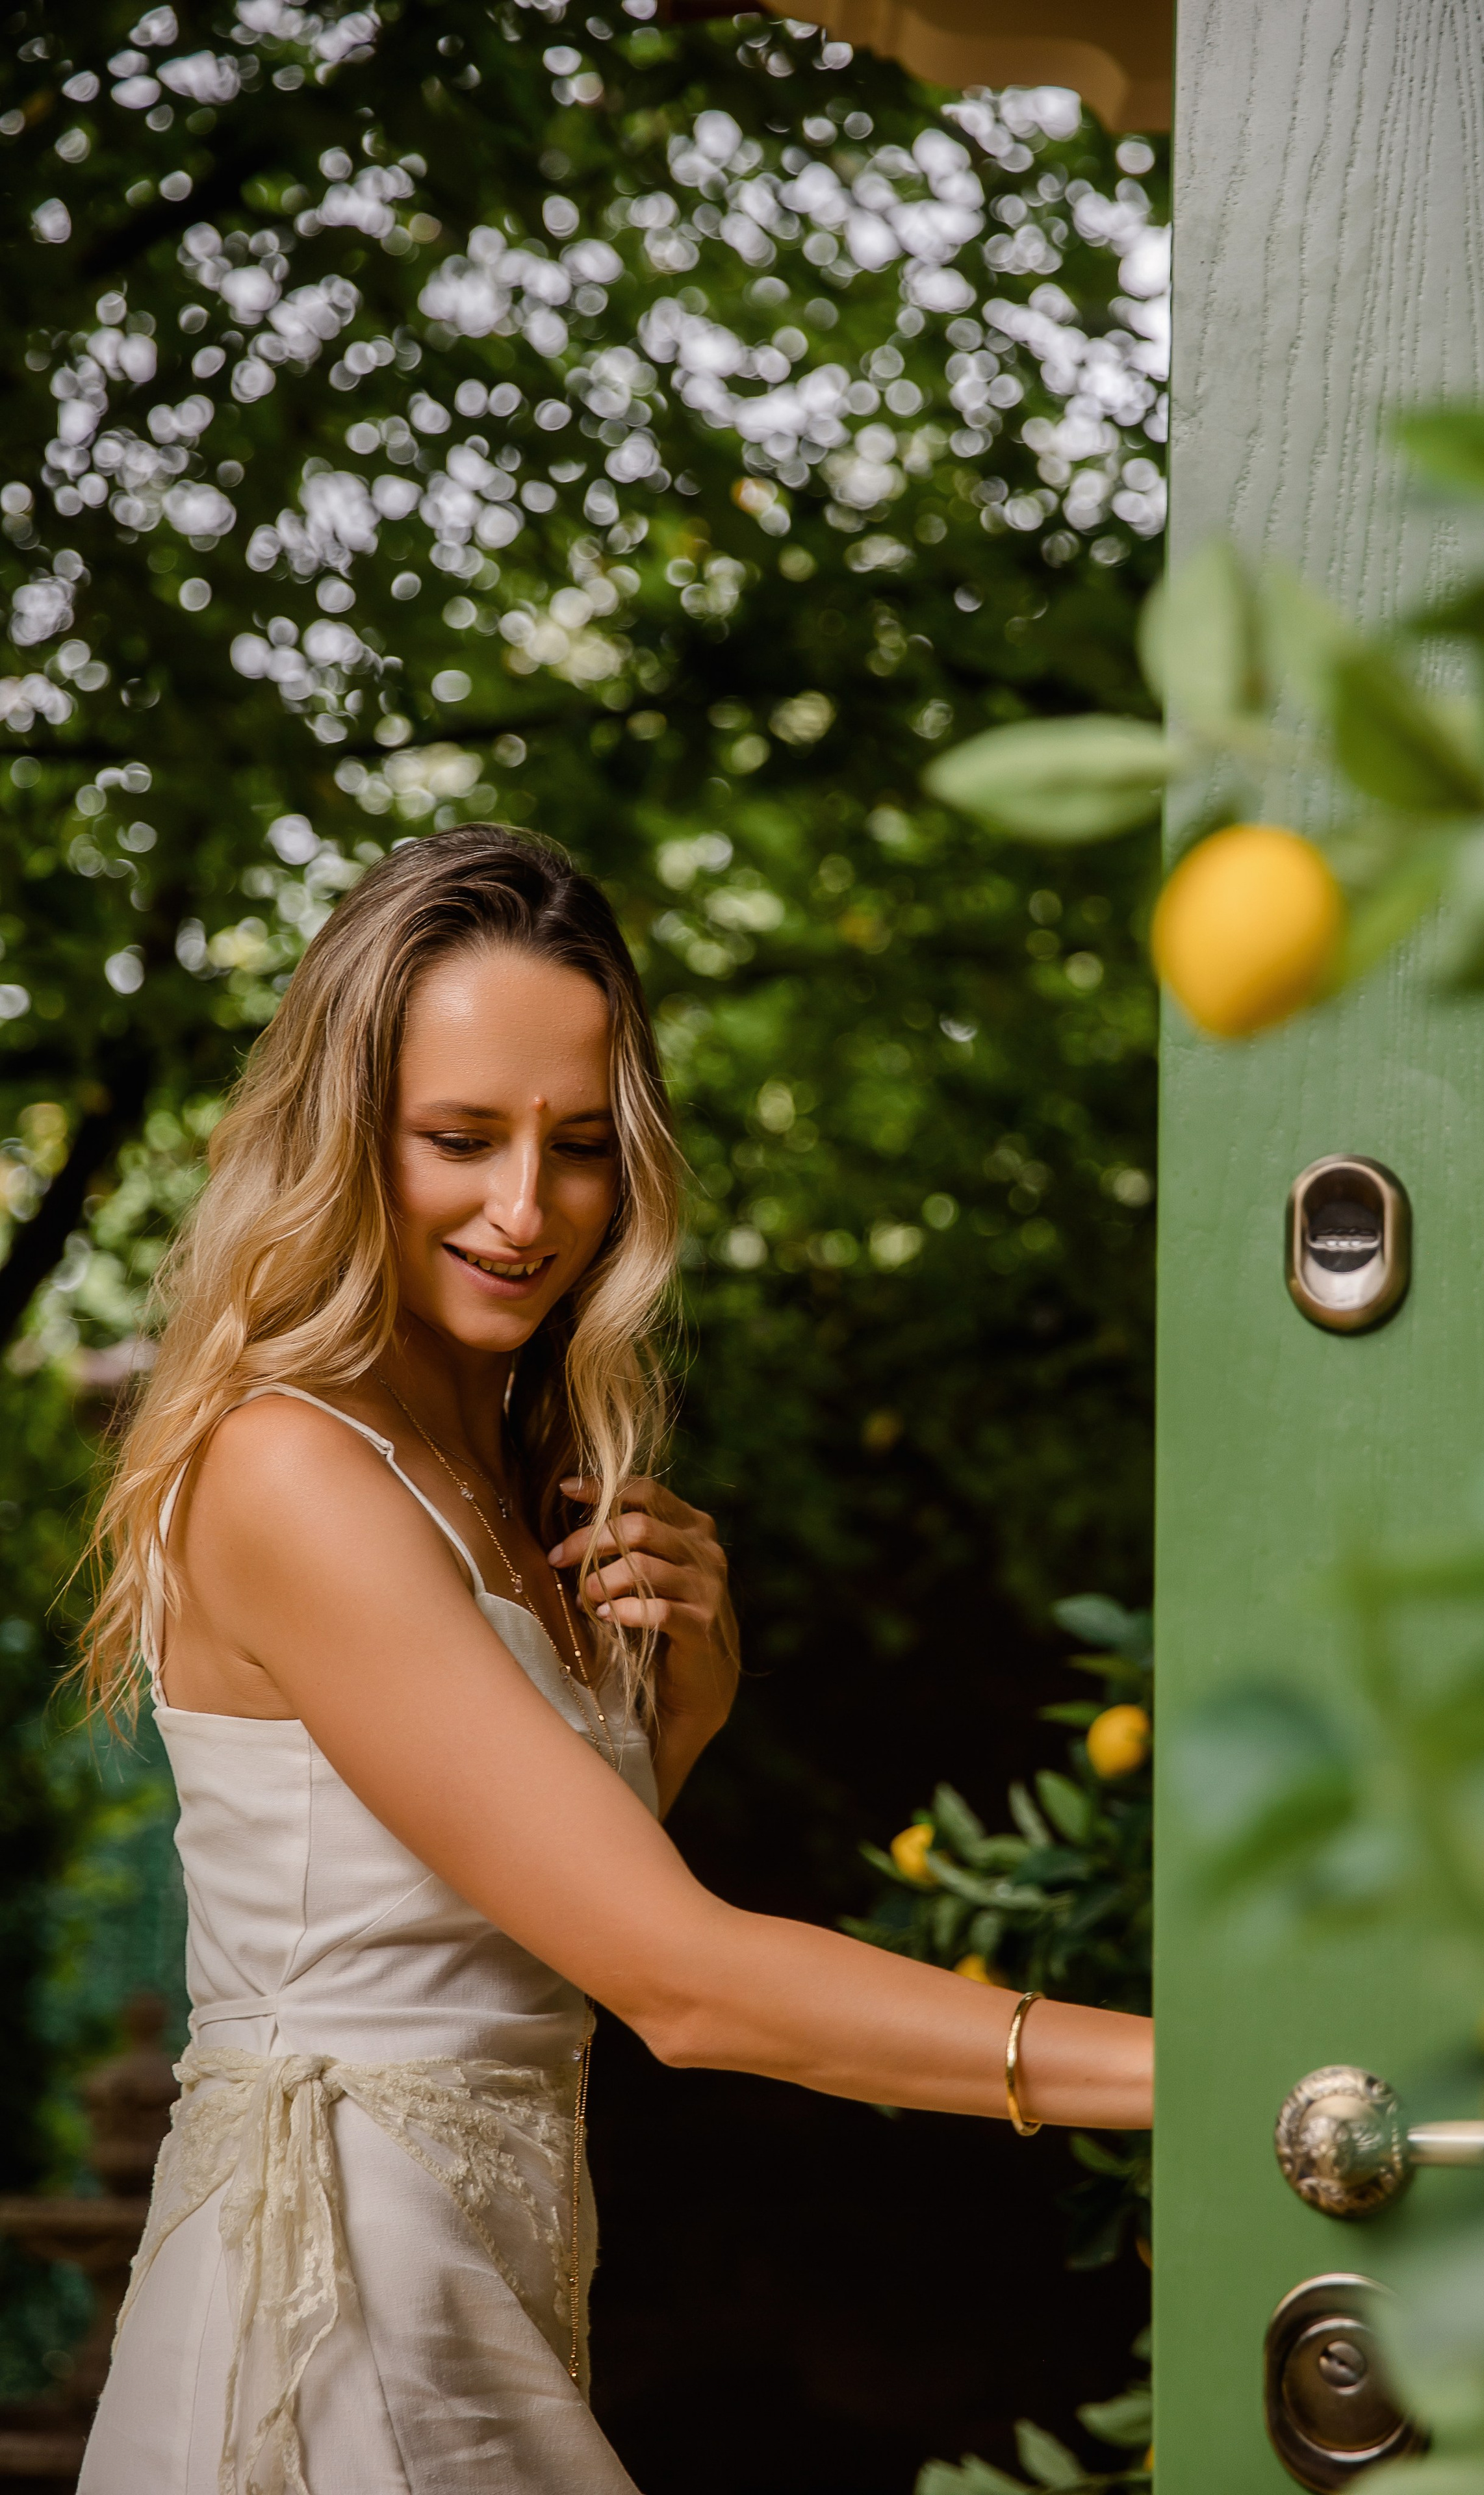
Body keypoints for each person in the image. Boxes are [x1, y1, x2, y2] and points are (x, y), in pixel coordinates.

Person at [77, 825, 1152, 2495]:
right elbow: (684, 1982)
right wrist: (1196, 2070)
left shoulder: (515, 1488)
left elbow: (481, 1931)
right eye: (458, 1138)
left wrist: (678, 1718)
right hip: (328, 2315)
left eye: (578, 1145)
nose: (526, 1209)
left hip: (479, 2293)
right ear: (344, 1140)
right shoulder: (291, 1470)